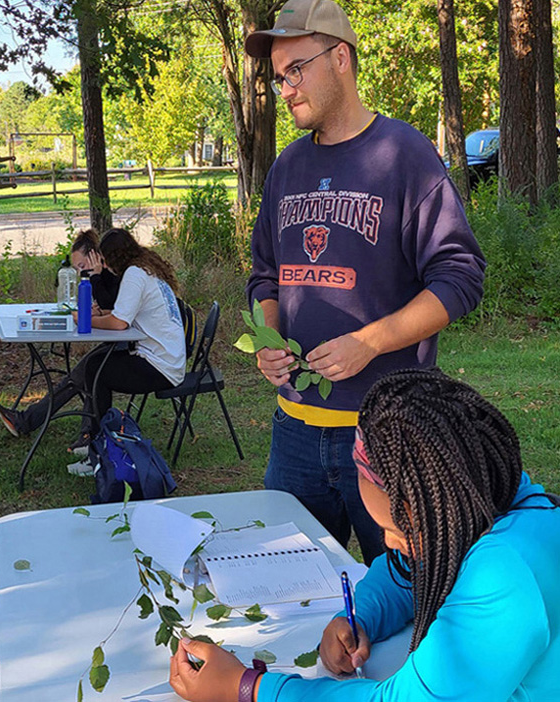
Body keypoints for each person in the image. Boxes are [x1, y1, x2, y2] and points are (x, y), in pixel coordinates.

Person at [243, 0, 486, 564]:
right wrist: (267, 338)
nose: (286, 89)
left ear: (342, 59)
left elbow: (460, 274)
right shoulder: (286, 168)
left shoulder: (404, 154)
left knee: (407, 594)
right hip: (295, 434)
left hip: (389, 436)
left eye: (296, 69)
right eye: (280, 77)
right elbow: (263, 276)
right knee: (290, 592)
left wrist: (369, 343)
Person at [169, 368, 560, 702]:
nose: (389, 544)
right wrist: (360, 616)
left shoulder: (506, 575)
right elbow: (408, 571)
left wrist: (250, 687)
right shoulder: (489, 497)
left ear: (445, 508)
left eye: (397, 530)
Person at [0, 227, 185, 453]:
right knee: (92, 364)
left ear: (113, 256)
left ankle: (94, 441)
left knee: (95, 369)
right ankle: (71, 432)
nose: (104, 265)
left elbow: (118, 323)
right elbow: (122, 314)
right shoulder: (144, 269)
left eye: (104, 259)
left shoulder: (135, 274)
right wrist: (100, 315)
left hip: (160, 365)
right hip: (162, 357)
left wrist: (83, 320)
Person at [70, 228, 121, 313]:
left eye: (82, 266)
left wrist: (95, 276)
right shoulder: (94, 279)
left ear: (94, 257)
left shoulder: (111, 273)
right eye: (76, 269)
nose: (80, 273)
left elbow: (107, 305)